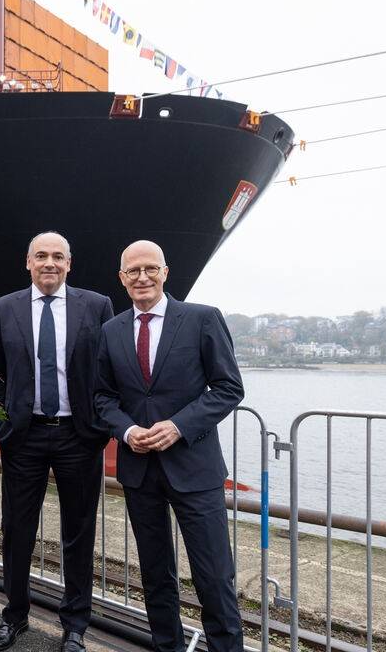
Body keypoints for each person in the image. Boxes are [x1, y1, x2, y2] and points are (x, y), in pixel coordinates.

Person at [93, 240, 245, 652]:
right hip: (140, 470)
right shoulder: (110, 330)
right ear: (122, 279)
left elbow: (229, 388)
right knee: (155, 574)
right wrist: (126, 432)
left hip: (194, 468)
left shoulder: (202, 319)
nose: (142, 277)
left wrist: (178, 426)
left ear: (165, 272)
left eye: (150, 269)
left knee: (214, 575)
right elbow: (102, 397)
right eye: (132, 271)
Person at [0, 232, 114, 652]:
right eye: (41, 256)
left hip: (78, 436)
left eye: (58, 257)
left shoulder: (96, 306)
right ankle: (15, 615)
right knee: (16, 530)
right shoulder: (3, 309)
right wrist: (4, 426)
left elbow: (106, 370)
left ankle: (75, 624)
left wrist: (96, 427)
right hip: (25, 436)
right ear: (28, 262)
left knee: (78, 532)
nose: (49, 263)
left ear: (69, 264)